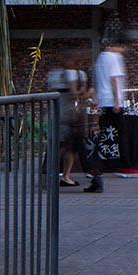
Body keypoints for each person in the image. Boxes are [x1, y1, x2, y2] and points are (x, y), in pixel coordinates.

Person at [47, 52, 93, 188]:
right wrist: (86, 91)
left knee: (63, 145)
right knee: (68, 146)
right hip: (69, 112)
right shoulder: (77, 74)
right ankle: (64, 175)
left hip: (58, 111)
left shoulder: (56, 73)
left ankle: (56, 173)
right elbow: (76, 94)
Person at [92, 40, 128, 185]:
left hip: (103, 99)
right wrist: (117, 102)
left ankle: (96, 165)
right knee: (122, 133)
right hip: (112, 101)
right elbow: (114, 80)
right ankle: (124, 165)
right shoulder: (114, 57)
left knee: (102, 133)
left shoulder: (101, 57)